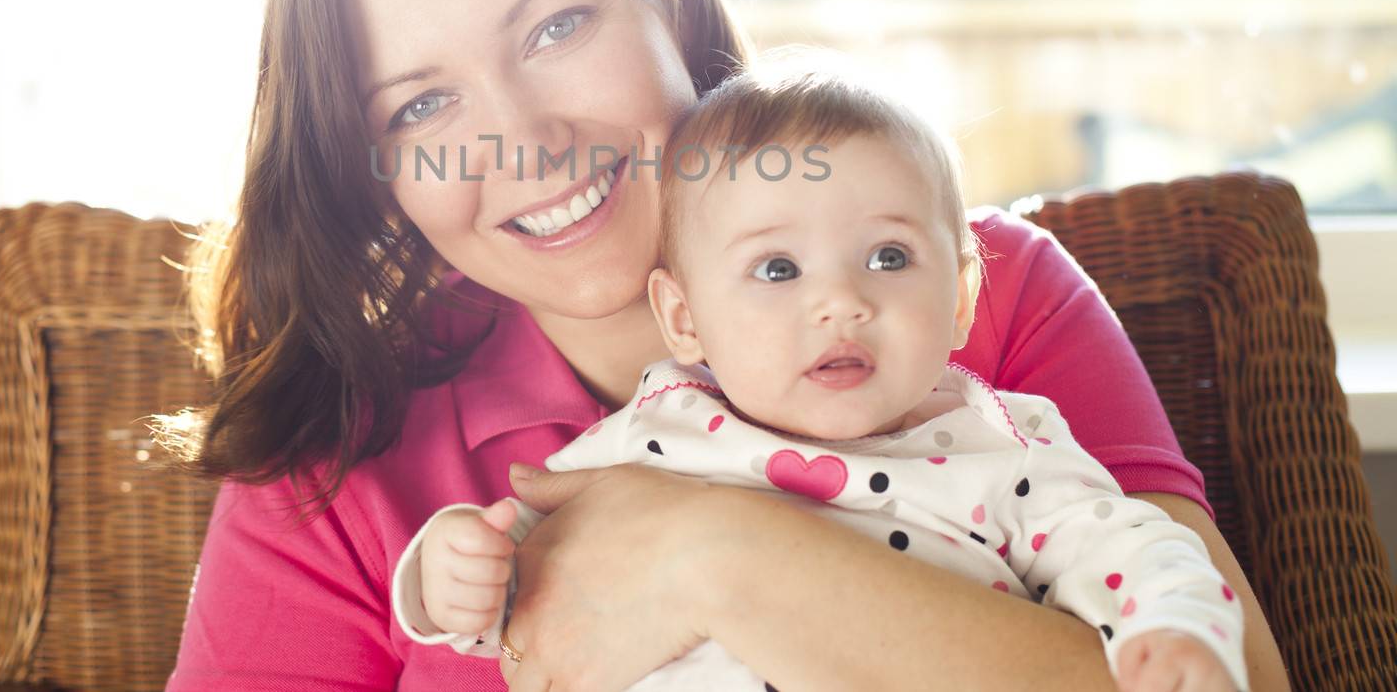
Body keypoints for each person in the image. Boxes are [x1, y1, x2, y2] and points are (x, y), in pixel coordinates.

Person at [161, 0, 1288, 692]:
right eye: (419, 106)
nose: (524, 141)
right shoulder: (333, 451)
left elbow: (1222, 671)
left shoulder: (974, 294)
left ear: (673, 9)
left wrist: (714, 555)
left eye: (556, 26)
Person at [391, 57, 1248, 692]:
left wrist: (1175, 632)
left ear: (961, 295)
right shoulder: (652, 439)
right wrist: (446, 572)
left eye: (888, 255)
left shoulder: (1008, 448)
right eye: (776, 270)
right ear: (685, 318)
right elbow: (528, 591)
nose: (840, 302)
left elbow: (1143, 552)